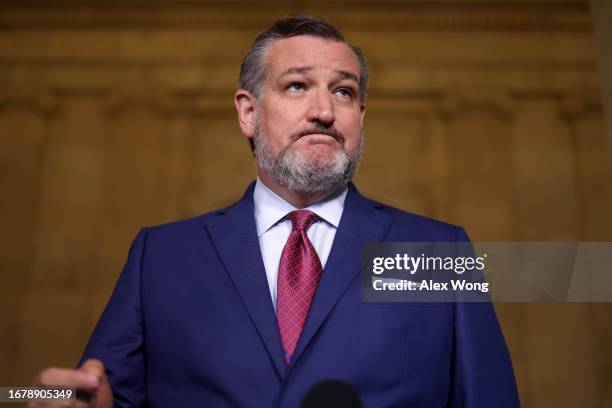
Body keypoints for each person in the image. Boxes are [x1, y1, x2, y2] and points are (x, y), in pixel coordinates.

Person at [30, 15, 519, 407]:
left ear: (360, 117)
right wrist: (43, 396)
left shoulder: (438, 251)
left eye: (344, 91)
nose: (325, 111)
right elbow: (76, 392)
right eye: (297, 86)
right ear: (248, 112)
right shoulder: (159, 255)